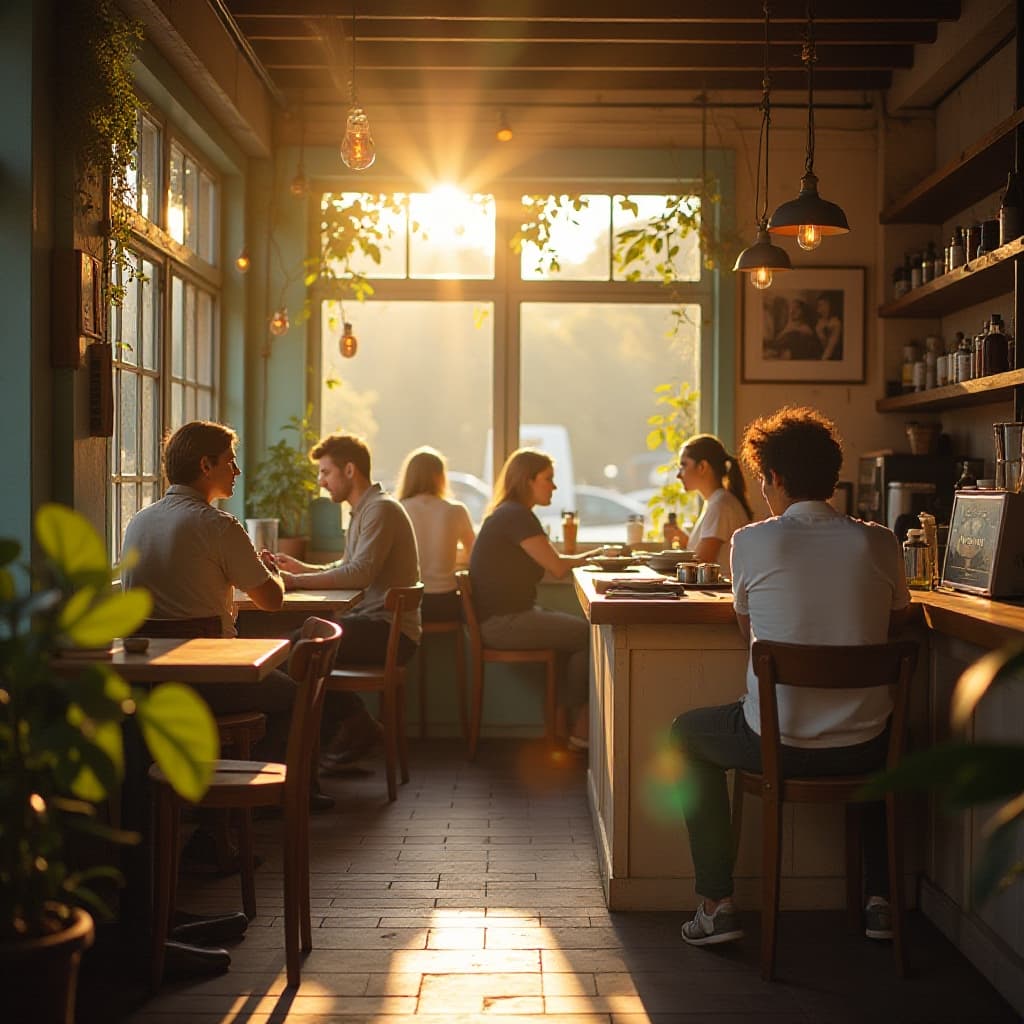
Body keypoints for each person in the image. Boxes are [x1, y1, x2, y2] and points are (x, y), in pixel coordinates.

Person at [671, 406, 913, 948]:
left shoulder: (752, 542)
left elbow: (747, 631)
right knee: (878, 726)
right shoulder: (880, 542)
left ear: (775, 477)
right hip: (867, 750)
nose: (761, 488)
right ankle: (879, 900)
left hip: (775, 744)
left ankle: (716, 903)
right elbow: (895, 622)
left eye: (762, 478)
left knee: (685, 734)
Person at [121, 420, 293, 757]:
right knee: (292, 693)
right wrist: (272, 571)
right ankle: (266, 799)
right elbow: (272, 600)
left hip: (148, 684)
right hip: (210, 683)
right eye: (229, 461)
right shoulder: (218, 525)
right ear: (205, 465)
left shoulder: (138, 522)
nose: (237, 470)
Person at [274, 432, 420, 762]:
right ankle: (348, 730)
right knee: (304, 643)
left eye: (326, 472)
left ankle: (334, 738)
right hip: (374, 624)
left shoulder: (379, 510)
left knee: (301, 648)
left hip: (388, 631)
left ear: (350, 470)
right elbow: (349, 566)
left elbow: (360, 574)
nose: (321, 482)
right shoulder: (366, 510)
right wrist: (303, 567)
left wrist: (296, 581)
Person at [468, 448, 607, 749]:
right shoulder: (517, 516)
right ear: (527, 481)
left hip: (501, 619)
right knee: (588, 634)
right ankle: (580, 726)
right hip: (503, 623)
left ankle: (562, 723)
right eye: (548, 479)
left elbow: (551, 562)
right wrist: (600, 556)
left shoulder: (508, 514)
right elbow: (557, 567)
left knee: (573, 635)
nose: (554, 487)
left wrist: (592, 557)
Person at [397, 446, 475, 622]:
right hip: (445, 603)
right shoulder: (456, 510)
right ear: (441, 477)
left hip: (409, 604)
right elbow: (474, 555)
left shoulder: (398, 509)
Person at [661, 433, 752, 569]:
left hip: (723, 590)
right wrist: (683, 539)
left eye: (683, 465)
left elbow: (700, 564)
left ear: (702, 466)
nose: (678, 475)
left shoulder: (719, 506)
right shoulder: (716, 501)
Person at [815, 292, 843, 361]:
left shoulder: (836, 323)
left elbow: (830, 348)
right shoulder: (819, 323)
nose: (820, 309)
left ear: (829, 306)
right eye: (819, 305)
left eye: (822, 305)